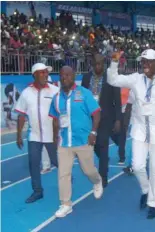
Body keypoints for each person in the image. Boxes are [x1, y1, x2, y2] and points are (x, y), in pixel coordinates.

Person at [107, 49, 155, 219]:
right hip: (139, 130)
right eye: (142, 62)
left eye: (148, 61)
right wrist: (114, 62)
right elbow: (113, 79)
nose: (144, 64)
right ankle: (146, 189)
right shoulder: (135, 80)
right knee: (137, 165)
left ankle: (153, 203)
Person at [49, 66, 103, 218]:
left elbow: (96, 113)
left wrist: (93, 132)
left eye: (67, 75)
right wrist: (54, 138)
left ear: (73, 76)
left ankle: (97, 180)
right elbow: (54, 119)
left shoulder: (83, 93)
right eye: (62, 75)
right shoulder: (57, 97)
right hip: (64, 142)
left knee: (88, 170)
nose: (64, 77)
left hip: (83, 140)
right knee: (63, 173)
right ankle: (66, 204)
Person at [14, 63, 59, 203]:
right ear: (34, 74)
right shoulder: (27, 92)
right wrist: (18, 135)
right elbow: (21, 115)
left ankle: (66, 179)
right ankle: (37, 191)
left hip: (52, 135)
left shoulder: (55, 90)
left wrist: (59, 133)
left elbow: (62, 112)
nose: (45, 75)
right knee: (33, 163)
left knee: (57, 161)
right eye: (42, 72)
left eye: (46, 72)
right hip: (34, 135)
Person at [81, 54, 121, 187]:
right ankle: (104, 159)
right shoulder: (86, 78)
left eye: (100, 64)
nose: (97, 67)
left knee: (103, 145)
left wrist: (118, 119)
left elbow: (117, 99)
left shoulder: (110, 78)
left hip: (105, 118)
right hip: (89, 118)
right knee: (94, 146)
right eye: (95, 64)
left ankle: (103, 176)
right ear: (92, 64)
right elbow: (81, 98)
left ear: (103, 64)